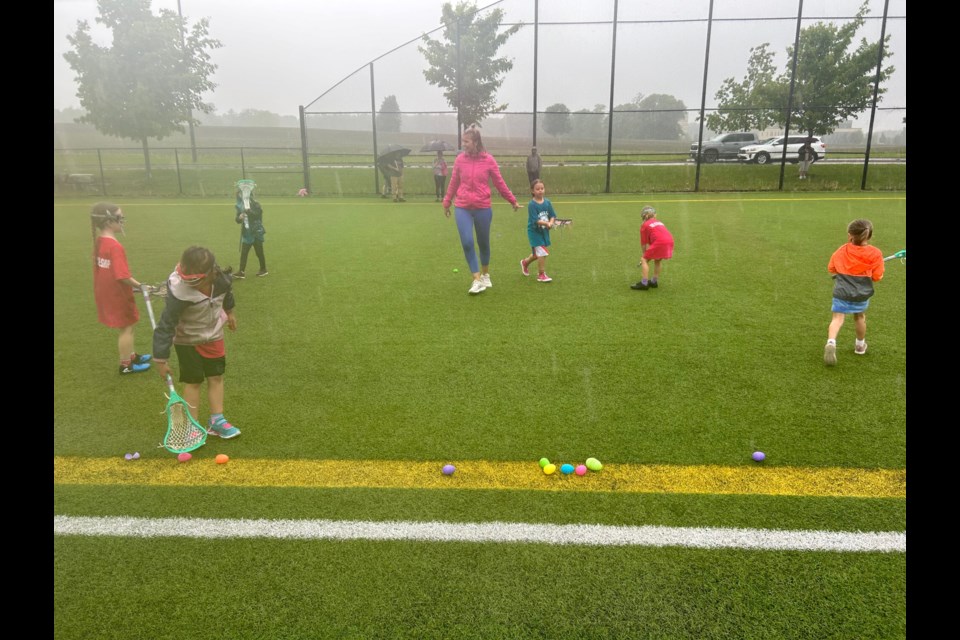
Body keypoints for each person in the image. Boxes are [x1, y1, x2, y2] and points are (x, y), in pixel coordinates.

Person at [152, 246, 241, 439]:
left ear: (211, 273)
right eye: (187, 279)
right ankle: (192, 425)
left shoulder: (222, 280)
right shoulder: (179, 291)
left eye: (195, 280)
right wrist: (160, 359)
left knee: (216, 376)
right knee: (193, 381)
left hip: (214, 336)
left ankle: (217, 420)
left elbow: (228, 293)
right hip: (187, 340)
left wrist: (230, 312)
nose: (190, 284)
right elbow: (166, 325)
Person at [443, 126, 520, 294]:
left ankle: (485, 274)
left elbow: (500, 183)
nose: (463, 144)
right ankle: (476, 279)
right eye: (463, 141)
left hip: (483, 208)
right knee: (467, 242)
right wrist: (447, 201)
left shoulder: (489, 160)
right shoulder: (459, 160)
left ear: (476, 142)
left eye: (466, 141)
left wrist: (512, 200)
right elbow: (454, 181)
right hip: (462, 207)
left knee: (483, 243)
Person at [90, 202, 152, 375]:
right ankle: (125, 365)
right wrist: (141, 286)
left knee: (128, 325)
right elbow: (122, 276)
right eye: (119, 217)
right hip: (116, 293)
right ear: (109, 222)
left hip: (108, 291)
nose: (122, 220)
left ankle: (131, 356)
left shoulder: (100, 241)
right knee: (127, 327)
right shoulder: (115, 246)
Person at [823, 219, 885, 366]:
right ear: (869, 236)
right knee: (859, 317)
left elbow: (831, 268)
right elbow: (877, 277)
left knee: (837, 319)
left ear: (850, 235)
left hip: (842, 292)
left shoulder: (842, 250)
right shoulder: (875, 253)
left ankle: (831, 342)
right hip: (861, 294)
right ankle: (859, 345)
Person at [520, 179, 557, 282]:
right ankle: (541, 274)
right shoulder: (532, 204)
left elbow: (552, 215)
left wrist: (551, 222)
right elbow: (535, 220)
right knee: (542, 252)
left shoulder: (547, 202)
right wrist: (547, 223)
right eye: (537, 189)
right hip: (534, 232)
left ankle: (525, 263)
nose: (540, 191)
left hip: (544, 232)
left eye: (542, 188)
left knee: (537, 255)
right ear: (532, 191)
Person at [631, 206, 675, 290]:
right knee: (657, 259)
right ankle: (654, 282)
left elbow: (644, 243)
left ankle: (644, 283)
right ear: (654, 215)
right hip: (670, 240)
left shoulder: (644, 225)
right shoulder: (659, 222)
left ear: (644, 216)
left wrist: (644, 255)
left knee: (644, 260)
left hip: (660, 242)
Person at [234, 190, 267, 278]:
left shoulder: (256, 204)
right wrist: (239, 217)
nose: (241, 196)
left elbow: (257, 215)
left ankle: (263, 269)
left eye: (242, 194)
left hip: (256, 232)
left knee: (259, 252)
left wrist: (248, 211)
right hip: (247, 233)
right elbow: (237, 220)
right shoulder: (240, 206)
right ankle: (241, 271)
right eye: (240, 194)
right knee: (244, 253)